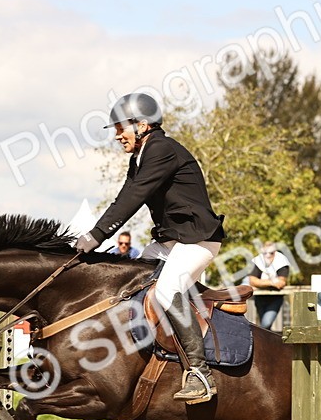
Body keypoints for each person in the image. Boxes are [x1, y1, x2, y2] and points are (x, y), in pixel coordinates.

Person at [75, 92, 225, 404]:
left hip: (197, 241)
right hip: (169, 244)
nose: (117, 135)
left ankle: (199, 373)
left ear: (142, 125)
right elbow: (124, 195)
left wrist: (96, 235)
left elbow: (135, 197)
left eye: (120, 128)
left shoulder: (162, 149)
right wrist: (94, 237)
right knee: (127, 282)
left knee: (168, 290)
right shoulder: (140, 156)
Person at [247, 242, 290, 331]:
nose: (268, 255)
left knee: (266, 324)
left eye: (271, 253)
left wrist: (261, 282)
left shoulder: (281, 261)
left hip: (275, 298)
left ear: (275, 252)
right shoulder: (258, 261)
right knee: (265, 327)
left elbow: (281, 282)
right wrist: (272, 282)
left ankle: (263, 341)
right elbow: (252, 281)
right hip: (260, 298)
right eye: (265, 253)